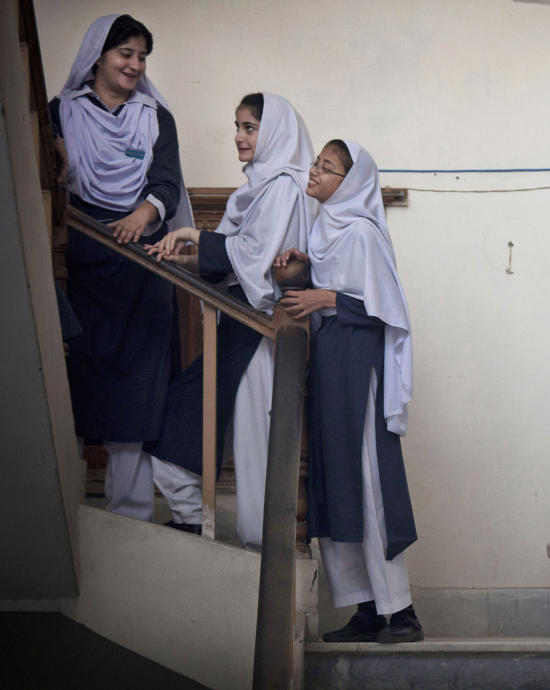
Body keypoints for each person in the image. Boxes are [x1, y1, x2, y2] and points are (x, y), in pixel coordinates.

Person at [144, 93, 317, 549]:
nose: (239, 137)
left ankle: (265, 545)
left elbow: (259, 260)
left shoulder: (284, 185)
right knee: (211, 417)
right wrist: (188, 249)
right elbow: (237, 251)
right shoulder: (260, 186)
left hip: (262, 329)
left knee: (257, 437)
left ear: (274, 132)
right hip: (245, 322)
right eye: (237, 126)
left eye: (250, 127)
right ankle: (203, 520)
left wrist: (195, 236)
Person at [275, 139, 422, 643]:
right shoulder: (322, 230)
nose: (314, 171)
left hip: (359, 368)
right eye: (317, 162)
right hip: (330, 362)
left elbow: (389, 312)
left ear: (349, 183)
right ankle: (363, 609)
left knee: (369, 482)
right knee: (335, 481)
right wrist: (302, 269)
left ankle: (400, 612)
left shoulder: (362, 232)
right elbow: (318, 292)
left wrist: (327, 295)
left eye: (327, 167)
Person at [50, 14, 192, 521]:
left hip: (142, 269)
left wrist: (143, 213)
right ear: (98, 56)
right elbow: (46, 176)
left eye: (141, 56)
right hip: (82, 270)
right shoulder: (59, 114)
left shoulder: (156, 118)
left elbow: (168, 182)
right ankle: (65, 512)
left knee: (137, 390)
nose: (134, 65)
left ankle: (130, 514)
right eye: (125, 54)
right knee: (75, 385)